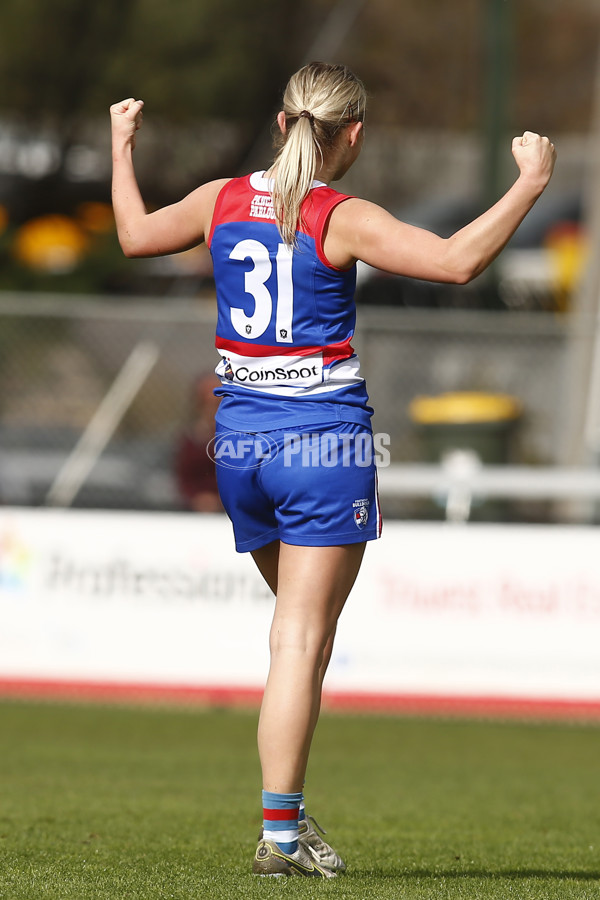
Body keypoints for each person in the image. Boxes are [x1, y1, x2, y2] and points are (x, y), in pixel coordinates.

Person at [110, 61, 556, 878]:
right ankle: (280, 834)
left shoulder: (218, 201)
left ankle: (292, 821)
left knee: (296, 637)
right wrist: (529, 184)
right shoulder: (337, 216)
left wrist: (121, 145)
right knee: (300, 641)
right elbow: (457, 261)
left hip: (239, 444)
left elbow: (135, 237)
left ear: (281, 126)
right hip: (322, 443)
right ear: (351, 137)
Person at [173, 372, 222, 513]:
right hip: (194, 509)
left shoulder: (241, 439)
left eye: (217, 403)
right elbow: (184, 479)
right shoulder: (190, 439)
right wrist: (197, 499)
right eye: (207, 403)